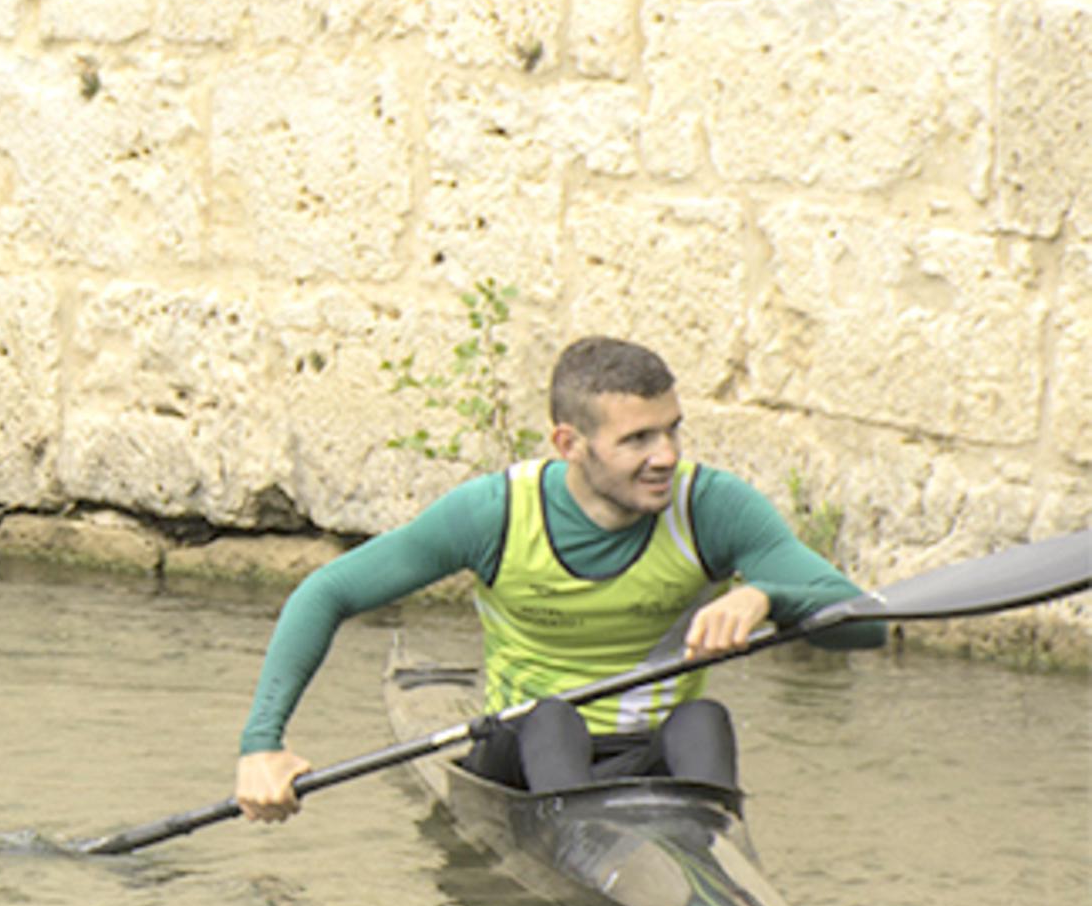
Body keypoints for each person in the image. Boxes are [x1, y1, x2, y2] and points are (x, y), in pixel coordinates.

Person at [234, 334, 875, 818]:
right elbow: (327, 592)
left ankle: (715, 865)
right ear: (569, 444)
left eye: (673, 431)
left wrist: (767, 596)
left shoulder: (712, 507)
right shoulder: (494, 515)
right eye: (638, 440)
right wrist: (263, 746)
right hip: (521, 752)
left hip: (654, 750)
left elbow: (864, 625)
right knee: (551, 720)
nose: (668, 458)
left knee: (702, 719)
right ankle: (577, 852)